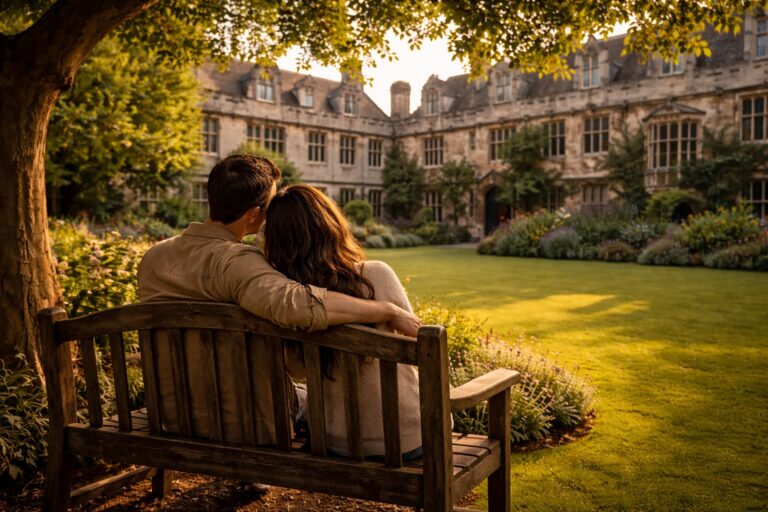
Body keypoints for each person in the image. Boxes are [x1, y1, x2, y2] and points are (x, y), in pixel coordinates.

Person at [137, 155, 421, 447]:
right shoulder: (237, 263)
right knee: (303, 398)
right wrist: (386, 309)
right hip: (244, 422)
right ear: (253, 215)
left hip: (171, 416)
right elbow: (299, 305)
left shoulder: (154, 257)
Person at [263, 184, 422, 459]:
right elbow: (417, 348)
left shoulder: (287, 297)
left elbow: (298, 369)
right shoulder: (375, 275)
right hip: (403, 440)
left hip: (330, 439)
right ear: (330, 224)